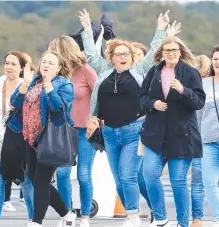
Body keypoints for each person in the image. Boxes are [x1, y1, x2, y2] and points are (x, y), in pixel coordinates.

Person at [79, 8, 172, 227]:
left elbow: (152, 53)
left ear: (131, 57)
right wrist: (86, 29)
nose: (123, 57)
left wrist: (160, 29)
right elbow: (92, 55)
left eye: (126, 54)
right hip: (110, 132)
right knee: (119, 178)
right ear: (111, 58)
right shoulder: (104, 71)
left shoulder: (140, 70)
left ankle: (132, 217)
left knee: (128, 175)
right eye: (118, 54)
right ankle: (137, 213)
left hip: (135, 131)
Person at [139, 36, 206, 227]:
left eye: (174, 50)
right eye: (167, 50)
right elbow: (142, 98)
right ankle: (161, 218)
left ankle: (183, 223)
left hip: (181, 135)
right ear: (161, 53)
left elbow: (199, 102)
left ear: (180, 52)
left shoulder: (191, 73)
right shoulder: (153, 72)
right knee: (149, 175)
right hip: (154, 135)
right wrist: (152, 103)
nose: (171, 53)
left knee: (178, 181)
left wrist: (183, 90)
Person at [10, 51, 75, 227]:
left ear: (59, 68)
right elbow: (14, 102)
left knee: (40, 180)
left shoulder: (65, 84)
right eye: (44, 61)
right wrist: (25, 83)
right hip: (30, 137)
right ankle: (67, 214)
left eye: (51, 63)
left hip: (50, 139)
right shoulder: (33, 80)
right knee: (37, 180)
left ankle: (36, 222)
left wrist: (48, 86)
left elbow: (57, 108)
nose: (45, 65)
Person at [48, 36, 97, 227]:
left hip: (86, 130)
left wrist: (96, 119)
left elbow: (100, 96)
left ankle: (85, 216)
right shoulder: (54, 74)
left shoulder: (85, 71)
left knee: (84, 173)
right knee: (62, 174)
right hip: (62, 130)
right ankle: (66, 215)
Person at [0, 51, 34, 227]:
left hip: (18, 142)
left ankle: (33, 219)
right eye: (7, 63)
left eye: (13, 64)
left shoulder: (26, 86)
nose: (8, 67)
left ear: (22, 69)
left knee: (25, 182)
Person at [197, 45, 219, 227]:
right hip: (208, 140)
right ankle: (218, 219)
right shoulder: (204, 84)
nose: (218, 62)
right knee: (210, 182)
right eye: (216, 59)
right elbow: (197, 114)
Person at [190, 54, 211, 227]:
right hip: (197, 140)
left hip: (212, 137)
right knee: (197, 181)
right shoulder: (189, 90)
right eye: (199, 76)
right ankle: (197, 218)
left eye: (204, 76)